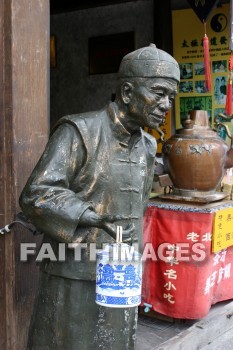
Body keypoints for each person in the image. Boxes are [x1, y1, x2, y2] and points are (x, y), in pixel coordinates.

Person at [19, 43, 180, 350]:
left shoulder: (147, 145)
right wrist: (88, 215)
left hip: (122, 275)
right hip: (74, 276)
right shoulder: (79, 131)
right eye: (159, 93)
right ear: (128, 91)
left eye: (170, 96)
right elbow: (37, 194)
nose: (166, 104)